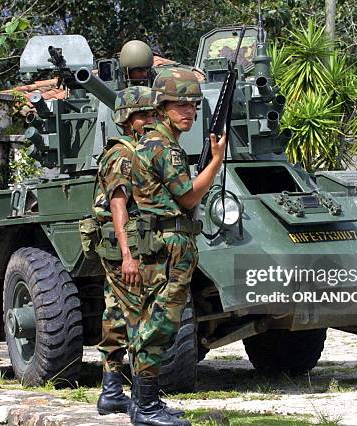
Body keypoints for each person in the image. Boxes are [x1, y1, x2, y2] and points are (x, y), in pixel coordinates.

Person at [130, 67, 226, 426]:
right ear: (161, 107)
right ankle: (145, 406)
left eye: (194, 105)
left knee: (157, 320)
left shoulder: (157, 142)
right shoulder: (162, 146)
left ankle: (145, 402)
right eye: (180, 105)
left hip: (164, 240)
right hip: (168, 242)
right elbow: (187, 198)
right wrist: (215, 162)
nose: (189, 111)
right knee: (162, 322)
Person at [93, 86, 156, 415]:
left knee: (117, 315)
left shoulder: (140, 151)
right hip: (124, 249)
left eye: (152, 114)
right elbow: (118, 204)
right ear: (127, 119)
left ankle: (112, 391)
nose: (150, 120)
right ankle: (144, 400)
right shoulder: (122, 154)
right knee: (139, 318)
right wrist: (128, 255)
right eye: (144, 115)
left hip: (128, 245)